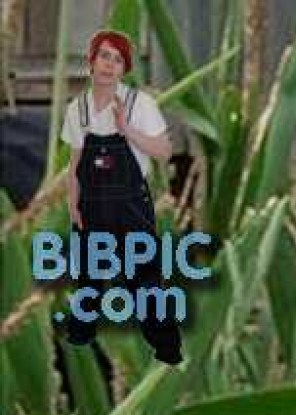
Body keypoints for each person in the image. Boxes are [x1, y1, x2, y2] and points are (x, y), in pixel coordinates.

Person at [61, 28, 181, 363]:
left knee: (144, 283)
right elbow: (75, 163)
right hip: (91, 203)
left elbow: (164, 151)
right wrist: (73, 202)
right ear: (92, 62)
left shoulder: (140, 105)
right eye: (104, 56)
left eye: (117, 59)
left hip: (129, 204)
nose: (109, 65)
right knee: (87, 284)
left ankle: (168, 354)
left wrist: (127, 129)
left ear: (124, 68)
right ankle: (82, 361)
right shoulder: (78, 109)